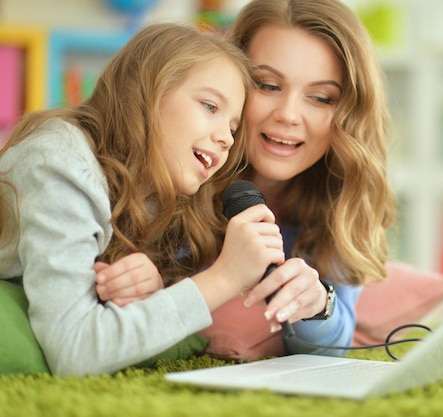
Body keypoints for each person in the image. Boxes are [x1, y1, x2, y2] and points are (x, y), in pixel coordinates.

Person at [98, 0, 395, 359]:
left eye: (320, 97)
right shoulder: (171, 173)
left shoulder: (343, 200)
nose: (288, 115)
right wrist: (143, 281)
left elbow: (336, 339)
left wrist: (318, 304)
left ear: (349, 113)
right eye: (267, 85)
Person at [0, 22, 286, 376]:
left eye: (232, 127)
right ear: (145, 92)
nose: (227, 140)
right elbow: (75, 350)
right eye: (210, 106)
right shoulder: (59, 162)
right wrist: (224, 279)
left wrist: (145, 288)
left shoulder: (148, 190)